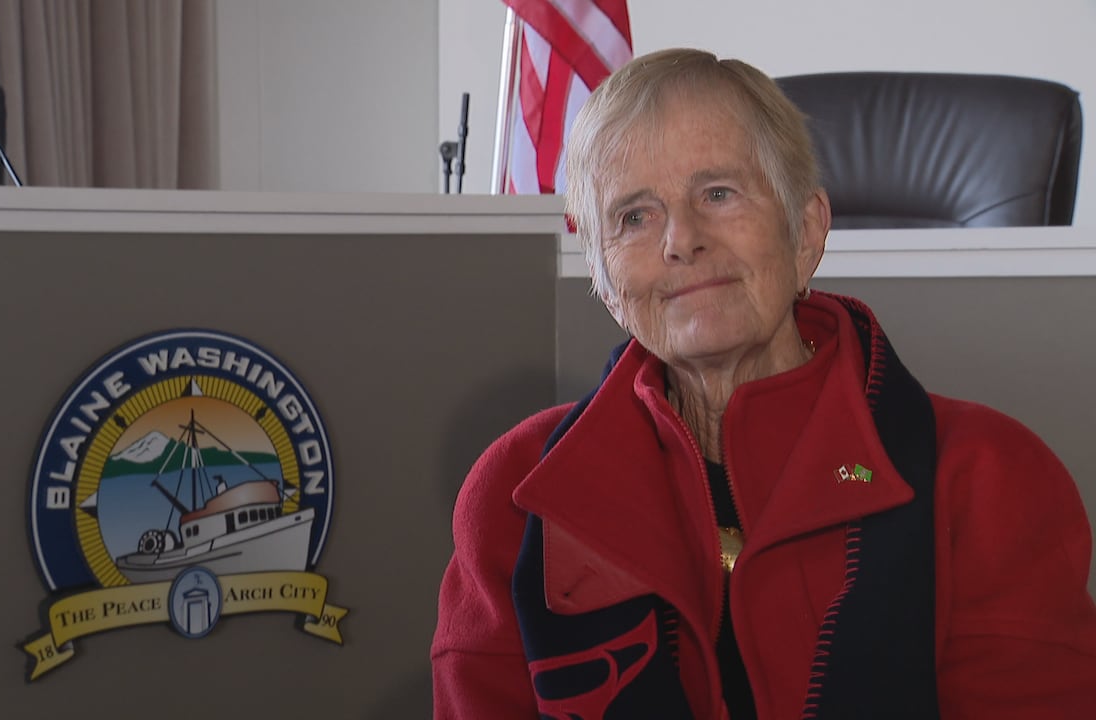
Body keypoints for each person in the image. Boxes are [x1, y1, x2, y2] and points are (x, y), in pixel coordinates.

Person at [431, 48, 1096, 719]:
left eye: (717, 193)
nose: (681, 240)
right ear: (605, 280)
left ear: (806, 231)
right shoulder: (517, 494)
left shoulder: (988, 479)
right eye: (635, 216)